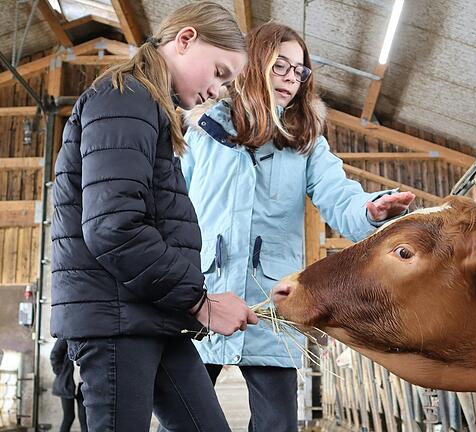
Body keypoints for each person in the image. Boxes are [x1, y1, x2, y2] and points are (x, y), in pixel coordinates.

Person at [181, 22, 415, 432]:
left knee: (277, 425)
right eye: (281, 67)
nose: (292, 78)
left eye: (299, 71)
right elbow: (174, 207)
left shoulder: (304, 138)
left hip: (271, 305)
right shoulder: (203, 132)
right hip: (204, 299)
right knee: (182, 422)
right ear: (253, 66)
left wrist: (371, 210)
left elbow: (339, 194)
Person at [49, 2, 258, 430]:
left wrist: (193, 302)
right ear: (185, 40)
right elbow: (114, 227)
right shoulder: (124, 99)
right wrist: (199, 302)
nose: (219, 91)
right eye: (220, 73)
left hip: (152, 314)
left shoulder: (149, 111)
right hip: (117, 321)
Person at [50, 338, 86, 432]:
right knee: (69, 417)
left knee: (84, 418)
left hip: (83, 384)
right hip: (67, 383)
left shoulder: (87, 335)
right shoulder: (65, 336)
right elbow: (55, 354)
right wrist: (61, 372)